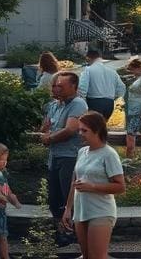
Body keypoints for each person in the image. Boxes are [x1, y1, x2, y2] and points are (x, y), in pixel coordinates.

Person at [61, 111, 125, 259]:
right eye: (79, 130)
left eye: (84, 130)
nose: (80, 133)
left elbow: (120, 187)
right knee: (87, 256)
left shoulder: (109, 154)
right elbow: (74, 182)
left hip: (101, 211)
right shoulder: (82, 152)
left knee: (97, 256)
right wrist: (68, 208)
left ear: (97, 130)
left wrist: (93, 187)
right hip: (81, 210)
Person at [40, 71, 88, 244]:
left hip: (70, 157)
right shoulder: (53, 105)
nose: (56, 88)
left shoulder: (77, 104)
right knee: (54, 198)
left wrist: (48, 137)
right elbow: (44, 128)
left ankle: (71, 233)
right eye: (54, 85)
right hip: (54, 156)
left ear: (73, 87)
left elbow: (70, 130)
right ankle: (61, 231)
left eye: (61, 85)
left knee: (67, 196)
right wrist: (46, 135)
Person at [78, 50, 126, 121]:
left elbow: (82, 88)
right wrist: (113, 96)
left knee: (93, 128)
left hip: (94, 102)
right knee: (102, 127)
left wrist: (83, 102)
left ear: (88, 58)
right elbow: (122, 88)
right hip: (109, 103)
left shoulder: (88, 70)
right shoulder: (112, 71)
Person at [0, 142, 21, 259]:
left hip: (1, 211)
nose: (4, 162)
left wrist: (13, 198)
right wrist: (4, 198)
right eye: (0, 160)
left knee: (3, 236)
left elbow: (6, 189)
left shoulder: (2, 173)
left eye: (6, 159)